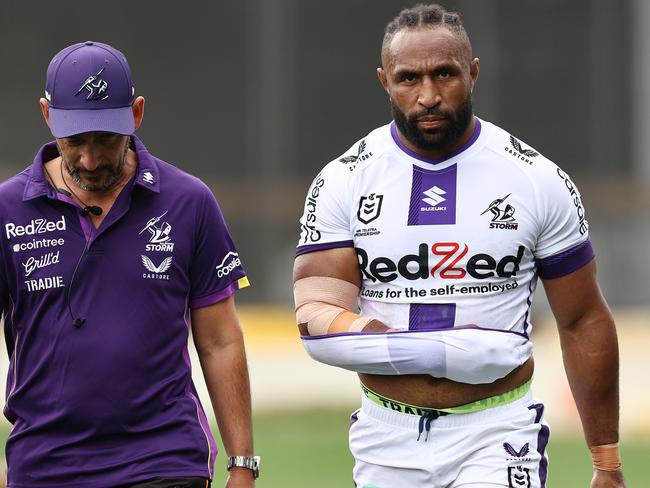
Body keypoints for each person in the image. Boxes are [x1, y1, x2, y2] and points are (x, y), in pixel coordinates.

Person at [294, 4, 625, 488]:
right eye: (409, 79)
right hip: (387, 433)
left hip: (497, 428)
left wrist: (607, 462)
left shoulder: (537, 179)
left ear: (472, 74)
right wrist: (453, 350)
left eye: (444, 74)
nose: (428, 95)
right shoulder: (343, 179)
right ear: (385, 81)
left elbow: (583, 319)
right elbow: (316, 316)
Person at [0, 41, 260, 487]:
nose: (91, 158)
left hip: (165, 459)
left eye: (107, 138)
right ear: (46, 115)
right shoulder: (6, 210)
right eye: (75, 140)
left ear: (136, 113)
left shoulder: (189, 201)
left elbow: (220, 341)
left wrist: (243, 465)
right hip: (44, 464)